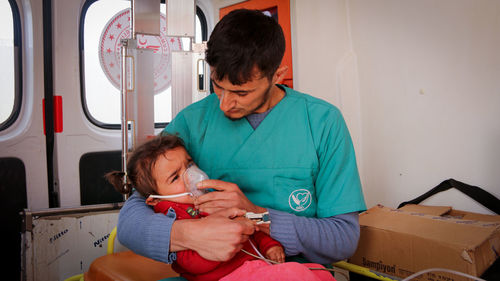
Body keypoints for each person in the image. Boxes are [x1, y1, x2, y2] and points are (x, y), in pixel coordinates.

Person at [117, 8, 366, 270]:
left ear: (277, 76)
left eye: (241, 92)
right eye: (217, 85)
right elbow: (130, 220)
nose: (224, 104)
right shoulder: (192, 122)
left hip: (294, 271)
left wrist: (257, 215)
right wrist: (191, 235)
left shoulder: (322, 122)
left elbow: (343, 239)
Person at [107, 135, 334, 281]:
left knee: (320, 274)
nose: (191, 176)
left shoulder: (213, 199)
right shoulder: (172, 217)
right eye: (176, 176)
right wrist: (218, 241)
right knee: (295, 275)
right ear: (154, 199)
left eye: (189, 164)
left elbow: (254, 224)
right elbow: (192, 265)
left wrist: (270, 245)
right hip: (225, 276)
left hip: (256, 266)